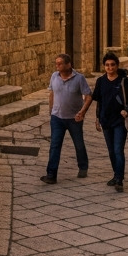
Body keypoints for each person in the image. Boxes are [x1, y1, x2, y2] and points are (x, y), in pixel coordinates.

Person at [41, 54, 91, 184]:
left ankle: (83, 166)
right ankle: (51, 175)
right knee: (55, 146)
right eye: (56, 63)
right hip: (57, 118)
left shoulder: (79, 78)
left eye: (60, 63)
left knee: (79, 144)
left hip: (74, 118)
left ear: (68, 64)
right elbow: (52, 93)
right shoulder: (54, 76)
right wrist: (51, 111)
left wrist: (82, 112)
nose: (57, 66)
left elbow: (88, 96)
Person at [92, 53, 128, 192]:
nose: (110, 67)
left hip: (120, 121)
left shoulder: (124, 81)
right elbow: (99, 101)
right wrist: (97, 118)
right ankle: (116, 174)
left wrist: (127, 109)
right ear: (104, 66)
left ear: (117, 65)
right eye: (107, 65)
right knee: (111, 151)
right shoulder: (101, 81)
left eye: (112, 65)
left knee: (118, 150)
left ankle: (119, 179)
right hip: (106, 120)